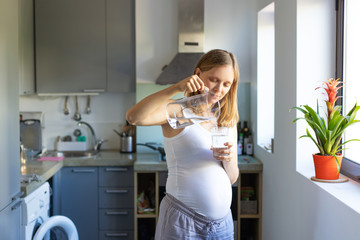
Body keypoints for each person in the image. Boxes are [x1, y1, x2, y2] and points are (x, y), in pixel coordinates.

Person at [126, 49, 240, 239]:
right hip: (183, 222)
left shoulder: (227, 118)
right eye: (214, 79)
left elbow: (233, 177)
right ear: (197, 74)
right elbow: (134, 117)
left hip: (222, 226)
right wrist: (175, 87)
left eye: (227, 84)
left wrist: (227, 160)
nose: (219, 89)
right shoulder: (180, 111)